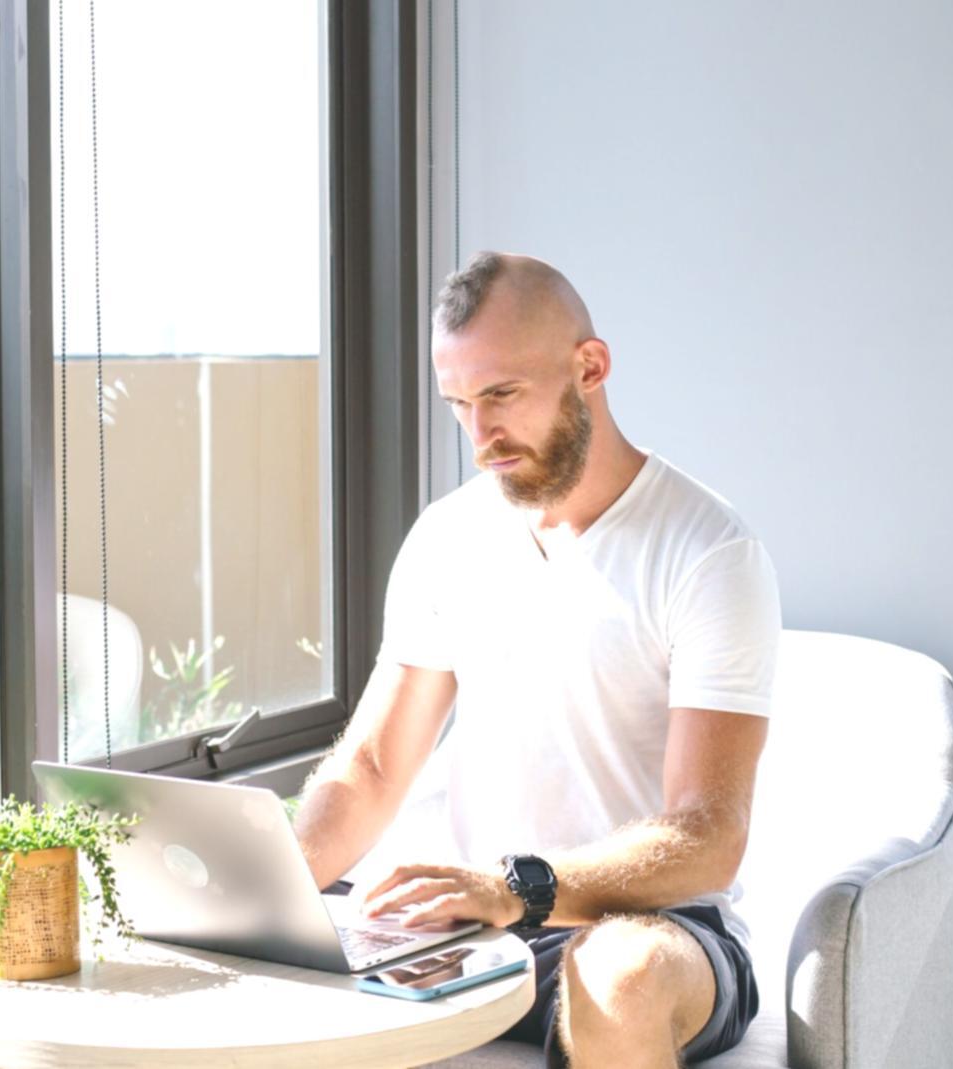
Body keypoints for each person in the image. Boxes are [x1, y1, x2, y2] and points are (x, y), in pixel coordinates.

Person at [294, 253, 781, 1067]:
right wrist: (265, 893)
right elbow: (374, 766)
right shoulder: (447, 537)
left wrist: (516, 886)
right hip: (479, 917)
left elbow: (708, 834)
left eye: (502, 396)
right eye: (459, 405)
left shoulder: (708, 551)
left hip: (651, 922)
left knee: (617, 977)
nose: (480, 436)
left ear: (589, 367)